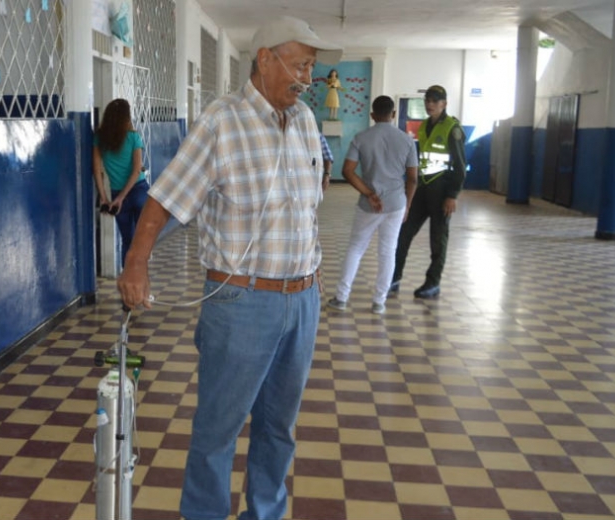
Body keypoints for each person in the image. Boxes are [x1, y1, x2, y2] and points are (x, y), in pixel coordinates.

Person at [116, 15, 341, 520]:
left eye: (311, 67)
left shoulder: (304, 122)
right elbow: (165, 200)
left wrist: (313, 274)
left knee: (278, 428)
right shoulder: (221, 122)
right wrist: (137, 263)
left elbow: (303, 208)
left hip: (301, 301)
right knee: (218, 429)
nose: (307, 78)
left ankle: (266, 512)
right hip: (241, 303)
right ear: (266, 58)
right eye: (301, 65)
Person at [326, 95, 418, 314]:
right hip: (396, 203)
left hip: (369, 204)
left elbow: (347, 171)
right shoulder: (406, 140)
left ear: (372, 115)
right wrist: (407, 205)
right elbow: (413, 178)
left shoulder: (361, 137)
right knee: (388, 251)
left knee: (356, 248)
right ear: (393, 114)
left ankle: (341, 297)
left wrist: (369, 193)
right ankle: (379, 302)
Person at [390, 85, 466, 299]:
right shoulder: (423, 126)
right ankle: (393, 279)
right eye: (427, 100)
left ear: (444, 104)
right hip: (423, 187)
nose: (430, 104)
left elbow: (460, 165)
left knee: (437, 239)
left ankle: (433, 283)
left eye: (434, 101)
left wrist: (453, 195)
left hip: (442, 190)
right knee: (404, 233)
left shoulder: (453, 128)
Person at [93, 98, 149, 267]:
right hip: (139, 191)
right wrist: (122, 197)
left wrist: (105, 198)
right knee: (141, 242)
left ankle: (128, 286)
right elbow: (137, 170)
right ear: (127, 117)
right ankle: (141, 288)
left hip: (117, 192)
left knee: (127, 240)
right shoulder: (134, 137)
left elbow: (97, 171)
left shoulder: (99, 139)